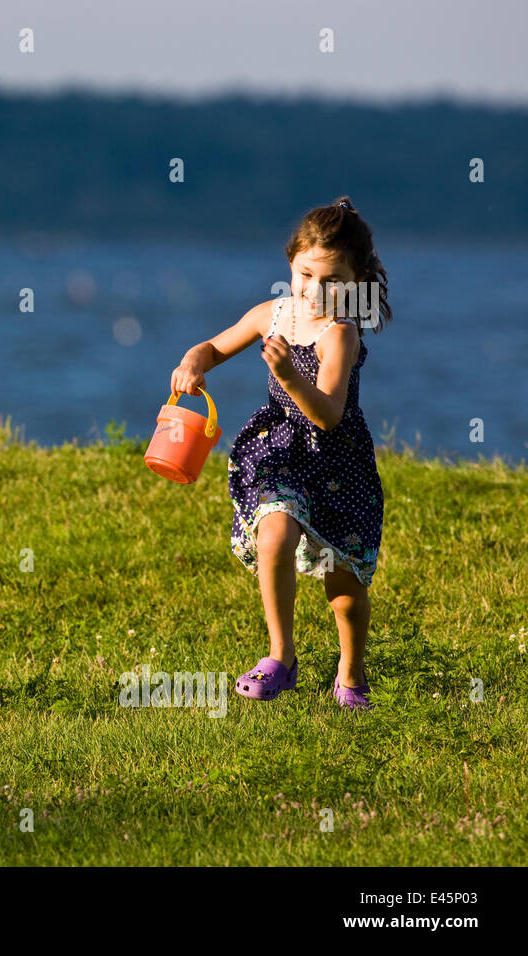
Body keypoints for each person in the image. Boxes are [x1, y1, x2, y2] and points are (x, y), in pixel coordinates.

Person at [170, 197, 390, 710]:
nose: (316, 291)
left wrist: (290, 376)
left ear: (355, 283)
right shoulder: (272, 314)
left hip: (337, 465)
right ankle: (281, 656)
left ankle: (351, 672)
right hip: (280, 453)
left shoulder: (342, 333)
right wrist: (192, 362)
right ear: (290, 264)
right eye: (306, 274)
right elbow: (214, 347)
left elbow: (328, 414)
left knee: (345, 590)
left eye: (333, 281)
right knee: (273, 531)